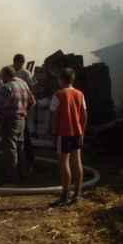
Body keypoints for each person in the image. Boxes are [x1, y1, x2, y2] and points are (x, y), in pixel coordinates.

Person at [49, 67, 88, 206]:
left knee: (64, 162)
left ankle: (65, 195)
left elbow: (54, 116)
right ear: (72, 80)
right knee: (77, 161)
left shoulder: (58, 94)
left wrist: (53, 133)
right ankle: (77, 194)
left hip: (63, 133)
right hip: (77, 132)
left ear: (61, 80)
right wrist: (82, 131)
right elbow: (84, 115)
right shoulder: (80, 94)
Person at [0, 66, 36, 184]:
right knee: (20, 148)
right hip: (22, 120)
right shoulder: (23, 84)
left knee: (10, 150)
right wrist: (24, 112)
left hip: (9, 121)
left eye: (2, 75)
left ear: (6, 75)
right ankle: (23, 174)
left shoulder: (6, 88)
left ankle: (11, 178)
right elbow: (33, 102)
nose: (1, 78)